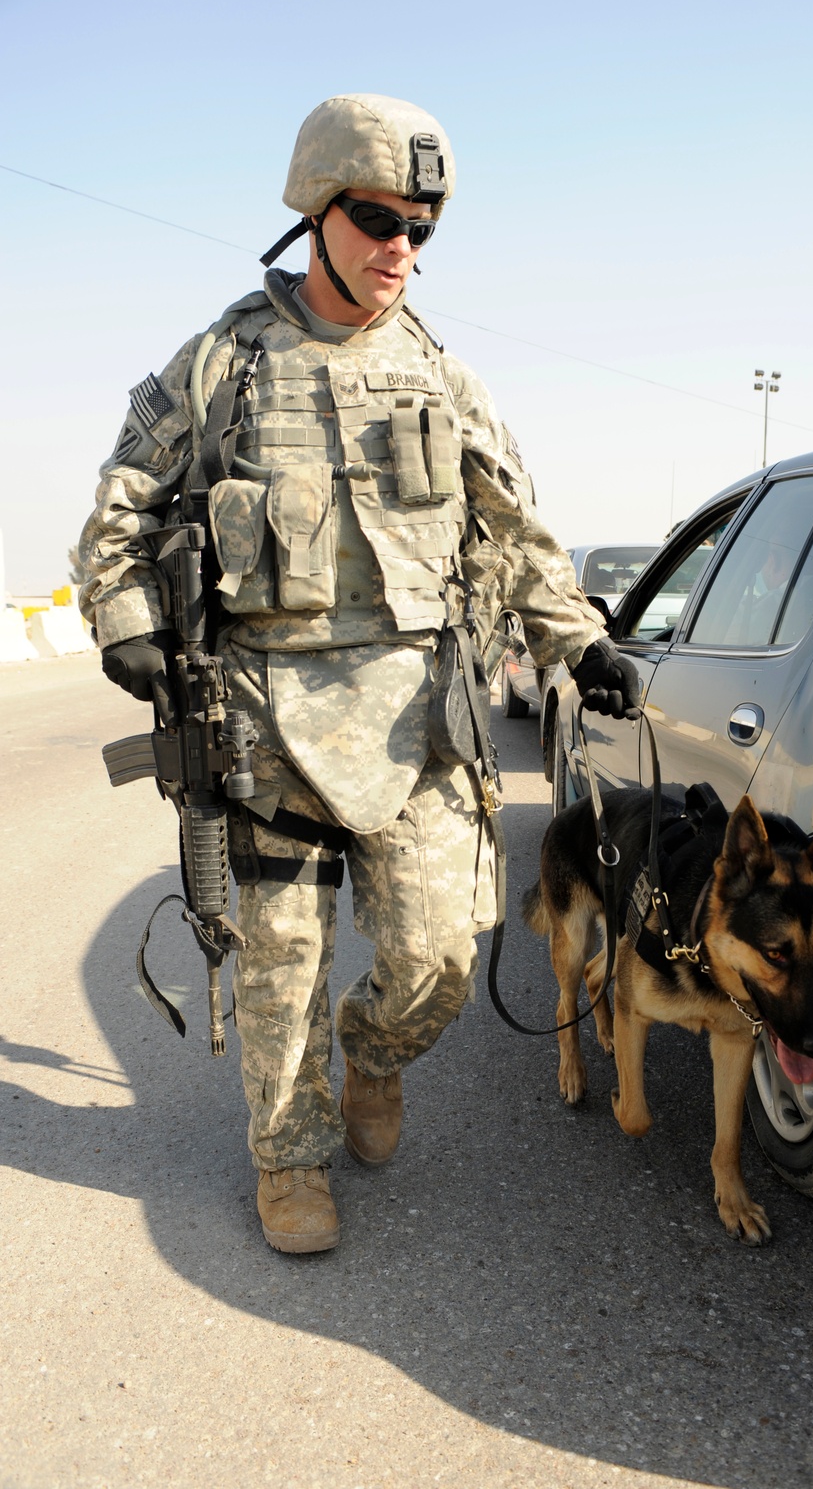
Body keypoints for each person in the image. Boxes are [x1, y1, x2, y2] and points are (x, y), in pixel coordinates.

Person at [78, 93, 640, 1255]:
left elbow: (514, 527)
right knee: (279, 967)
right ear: (315, 212)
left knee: (438, 955)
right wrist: (124, 617)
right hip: (263, 720)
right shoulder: (223, 364)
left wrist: (574, 639)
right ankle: (290, 1161)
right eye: (378, 217)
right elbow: (122, 508)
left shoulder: (444, 375)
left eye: (420, 228)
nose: (400, 249)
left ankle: (372, 1054)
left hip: (421, 719)